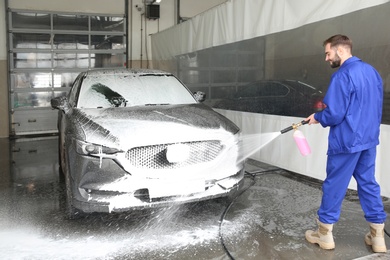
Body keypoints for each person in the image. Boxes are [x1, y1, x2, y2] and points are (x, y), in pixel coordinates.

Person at [304, 34, 387, 252]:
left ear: (340, 51)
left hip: (346, 141)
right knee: (368, 183)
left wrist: (318, 116)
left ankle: (324, 235)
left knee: (335, 184)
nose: (326, 58)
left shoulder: (342, 75)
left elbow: (335, 114)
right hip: (368, 140)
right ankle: (377, 236)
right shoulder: (372, 73)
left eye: (327, 53)